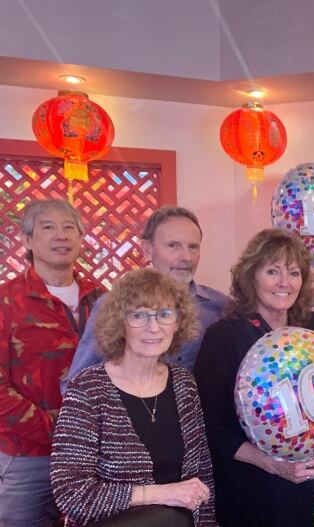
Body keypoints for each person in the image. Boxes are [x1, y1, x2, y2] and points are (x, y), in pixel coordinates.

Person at [194, 229, 314, 527]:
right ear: (250, 276)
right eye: (273, 271)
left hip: (312, 478)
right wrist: (272, 464)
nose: (285, 283)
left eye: (294, 273)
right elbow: (212, 427)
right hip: (253, 486)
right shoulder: (224, 338)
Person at [50, 268, 215, 526]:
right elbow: (72, 494)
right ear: (120, 323)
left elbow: (201, 476)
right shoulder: (88, 388)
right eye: (139, 315)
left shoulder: (184, 383)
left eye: (164, 314)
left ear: (178, 321)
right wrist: (161, 493)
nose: (154, 327)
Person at [0, 199, 104, 527]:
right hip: (28, 456)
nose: (61, 235)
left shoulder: (101, 298)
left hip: (94, 453)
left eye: (69, 227)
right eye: (48, 227)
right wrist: (54, 429)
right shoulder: (7, 300)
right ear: (28, 241)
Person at [63, 205, 228, 393]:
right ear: (147, 250)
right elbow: (76, 384)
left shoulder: (219, 308)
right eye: (173, 246)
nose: (186, 257)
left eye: (193, 247)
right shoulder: (114, 306)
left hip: (195, 419)